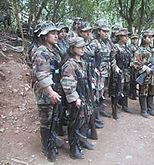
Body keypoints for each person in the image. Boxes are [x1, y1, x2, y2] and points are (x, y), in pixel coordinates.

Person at [32, 21, 64, 162]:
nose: (56, 36)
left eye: (57, 33)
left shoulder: (54, 49)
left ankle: (52, 142)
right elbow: (42, 75)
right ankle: (46, 147)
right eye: (53, 33)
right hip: (45, 91)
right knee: (46, 119)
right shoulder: (41, 51)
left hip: (54, 88)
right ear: (45, 36)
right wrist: (51, 92)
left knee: (54, 117)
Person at [60, 37, 94, 159]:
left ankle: (82, 141)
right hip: (76, 98)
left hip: (84, 95)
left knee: (86, 118)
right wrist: (75, 99)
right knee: (75, 123)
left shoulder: (82, 61)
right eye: (79, 47)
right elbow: (67, 84)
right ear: (72, 48)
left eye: (83, 46)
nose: (82, 49)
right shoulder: (69, 64)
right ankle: (74, 149)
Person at [89, 21, 120, 119]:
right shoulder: (94, 43)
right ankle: (96, 114)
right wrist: (93, 70)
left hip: (107, 72)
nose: (106, 33)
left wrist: (115, 67)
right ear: (99, 31)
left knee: (104, 91)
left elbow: (112, 57)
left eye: (107, 31)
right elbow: (90, 59)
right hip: (97, 72)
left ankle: (101, 110)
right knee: (97, 92)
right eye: (104, 31)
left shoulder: (109, 43)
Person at [134, 30, 154, 118]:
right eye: (148, 37)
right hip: (144, 74)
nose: (150, 39)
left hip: (152, 75)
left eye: (151, 37)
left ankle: (150, 108)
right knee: (143, 92)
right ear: (144, 39)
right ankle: (143, 110)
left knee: (152, 91)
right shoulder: (139, 50)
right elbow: (136, 62)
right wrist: (145, 68)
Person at [110, 28, 133, 119]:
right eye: (124, 36)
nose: (126, 37)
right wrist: (115, 67)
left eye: (127, 36)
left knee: (126, 90)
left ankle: (125, 106)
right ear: (120, 37)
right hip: (119, 72)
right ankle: (114, 110)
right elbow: (112, 59)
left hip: (127, 72)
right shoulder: (116, 46)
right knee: (117, 91)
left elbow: (130, 59)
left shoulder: (127, 48)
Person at [128, 33, 139, 100]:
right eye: (133, 39)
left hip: (137, 65)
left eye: (136, 38)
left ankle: (134, 93)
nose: (135, 40)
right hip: (132, 66)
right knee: (132, 81)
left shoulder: (138, 47)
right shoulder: (130, 47)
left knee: (135, 81)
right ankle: (132, 94)